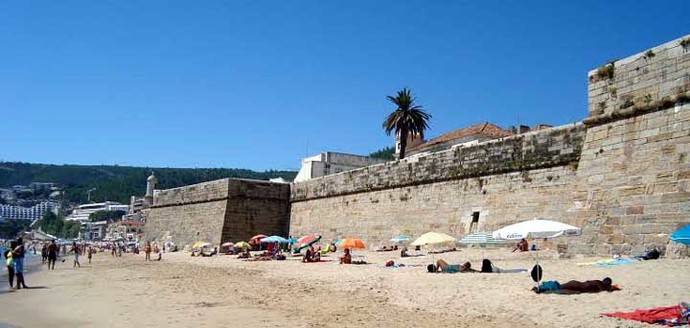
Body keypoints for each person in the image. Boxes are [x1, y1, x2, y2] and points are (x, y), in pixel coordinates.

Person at [533, 277, 619, 294]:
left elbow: (609, 288)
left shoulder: (598, 281)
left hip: (576, 283)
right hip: (578, 286)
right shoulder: (601, 286)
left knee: (560, 286)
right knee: (558, 287)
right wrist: (615, 287)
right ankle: (540, 289)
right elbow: (609, 289)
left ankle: (540, 288)